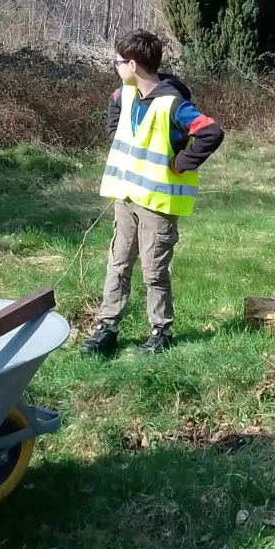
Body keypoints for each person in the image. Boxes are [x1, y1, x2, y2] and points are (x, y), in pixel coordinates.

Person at [81, 30, 224, 356]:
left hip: (158, 205)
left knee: (154, 271)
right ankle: (108, 327)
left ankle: (161, 331)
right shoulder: (126, 94)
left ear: (132, 64)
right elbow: (114, 104)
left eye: (119, 62)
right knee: (118, 265)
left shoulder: (173, 104)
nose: (117, 67)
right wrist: (115, 133)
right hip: (126, 198)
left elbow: (212, 132)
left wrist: (182, 162)